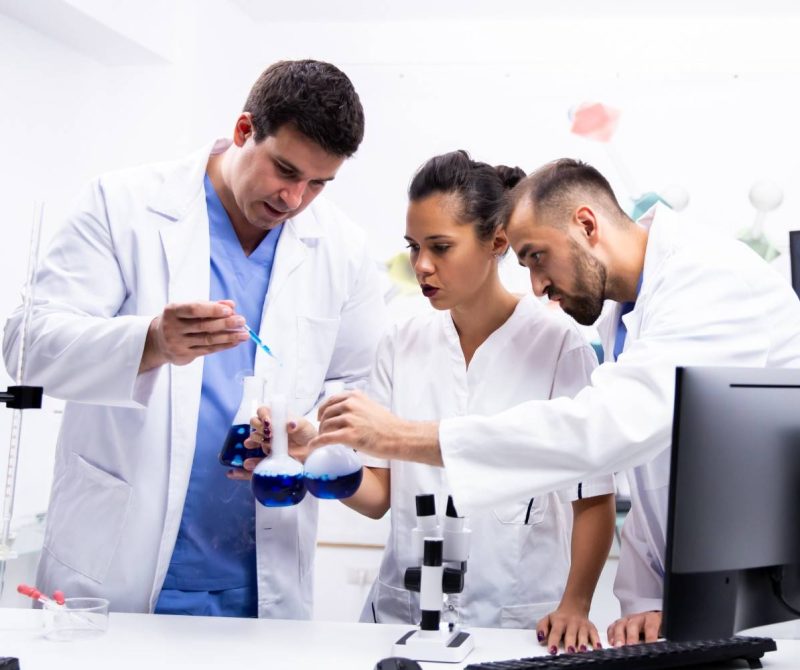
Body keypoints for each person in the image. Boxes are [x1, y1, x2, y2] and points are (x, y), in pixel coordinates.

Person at [308, 158, 800, 645]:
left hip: (771, 596)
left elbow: (604, 435)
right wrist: (646, 597)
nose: (537, 285)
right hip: (704, 600)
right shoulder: (626, 314)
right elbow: (653, 470)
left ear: (586, 225)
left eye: (537, 257)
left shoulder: (709, 279)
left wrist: (403, 435)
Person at [3, 60, 387, 619]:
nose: (294, 199)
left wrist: (308, 430)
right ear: (242, 131)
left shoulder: (342, 248)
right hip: (117, 563)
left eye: (318, 183)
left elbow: (353, 385)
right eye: (284, 169)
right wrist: (151, 342)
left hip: (260, 573)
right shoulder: (123, 205)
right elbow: (27, 344)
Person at [250, 151, 614, 650]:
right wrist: (315, 454)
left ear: (497, 242)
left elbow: (593, 497)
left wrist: (576, 605)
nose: (422, 265)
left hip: (513, 620)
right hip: (400, 621)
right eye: (414, 247)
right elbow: (379, 496)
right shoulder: (400, 342)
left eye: (441, 247)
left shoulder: (559, 346)